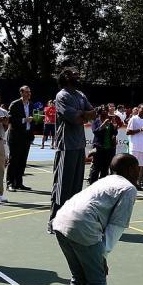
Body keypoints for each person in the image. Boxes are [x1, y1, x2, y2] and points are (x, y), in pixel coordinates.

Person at [51, 153, 139, 285]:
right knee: (97, 281)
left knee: (79, 277)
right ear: (129, 170)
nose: (139, 170)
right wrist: (102, 256)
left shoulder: (107, 180)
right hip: (82, 227)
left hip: (61, 222)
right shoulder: (128, 189)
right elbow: (116, 227)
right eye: (136, 167)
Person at [50, 68, 96, 228]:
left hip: (79, 145)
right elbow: (75, 119)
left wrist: (83, 114)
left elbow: (93, 114)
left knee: (76, 188)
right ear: (66, 77)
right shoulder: (62, 95)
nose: (78, 75)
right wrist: (84, 115)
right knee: (62, 186)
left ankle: (70, 221)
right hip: (66, 146)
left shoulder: (80, 94)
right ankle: (54, 221)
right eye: (74, 74)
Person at [6, 86, 35, 192]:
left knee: (23, 160)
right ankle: (9, 183)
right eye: (26, 92)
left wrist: (34, 123)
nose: (29, 94)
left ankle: (19, 183)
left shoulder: (31, 104)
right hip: (16, 136)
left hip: (26, 136)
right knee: (13, 160)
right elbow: (10, 119)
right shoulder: (15, 104)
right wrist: (24, 120)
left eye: (29, 92)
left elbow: (31, 121)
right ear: (21, 93)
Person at [89, 106, 117, 184]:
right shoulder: (96, 121)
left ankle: (101, 187)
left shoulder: (110, 121)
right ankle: (92, 186)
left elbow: (115, 133)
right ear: (100, 112)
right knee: (96, 168)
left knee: (105, 169)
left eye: (106, 110)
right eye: (103, 110)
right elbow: (95, 132)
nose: (105, 112)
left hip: (109, 149)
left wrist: (114, 125)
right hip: (99, 149)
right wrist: (103, 124)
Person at [126, 104, 143, 188]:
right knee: (132, 165)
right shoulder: (133, 119)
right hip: (134, 146)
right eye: (142, 109)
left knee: (139, 166)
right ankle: (129, 182)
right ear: (138, 109)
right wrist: (141, 129)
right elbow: (128, 132)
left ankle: (135, 182)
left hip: (142, 146)